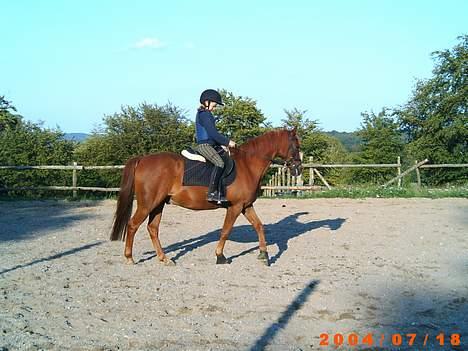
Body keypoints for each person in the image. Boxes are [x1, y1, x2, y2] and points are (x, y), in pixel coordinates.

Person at [195, 89, 236, 203]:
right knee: (219, 163)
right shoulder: (206, 114)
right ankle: (212, 192)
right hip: (205, 146)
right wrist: (228, 142)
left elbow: (211, 136)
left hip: (210, 144)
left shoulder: (204, 114)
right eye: (214, 104)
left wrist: (221, 145)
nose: (215, 107)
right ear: (207, 102)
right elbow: (213, 134)